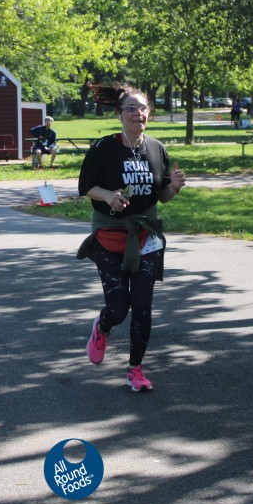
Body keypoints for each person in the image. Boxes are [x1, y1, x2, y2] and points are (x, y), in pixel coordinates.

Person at [76, 83, 187, 392]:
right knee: (118, 307)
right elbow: (86, 186)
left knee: (142, 304)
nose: (139, 113)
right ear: (119, 114)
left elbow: (162, 195)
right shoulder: (104, 147)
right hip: (110, 234)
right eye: (131, 108)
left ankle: (135, 369)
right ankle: (102, 327)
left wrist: (174, 186)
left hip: (145, 235)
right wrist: (108, 195)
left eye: (143, 108)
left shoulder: (157, 148)